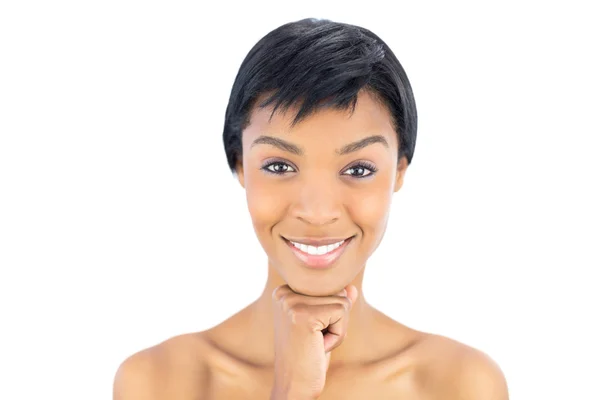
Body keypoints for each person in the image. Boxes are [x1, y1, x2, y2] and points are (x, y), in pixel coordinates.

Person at [113, 18, 509, 399]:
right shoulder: (157, 382)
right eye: (279, 166)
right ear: (240, 166)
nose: (317, 212)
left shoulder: (460, 385)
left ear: (399, 172)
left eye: (358, 169)